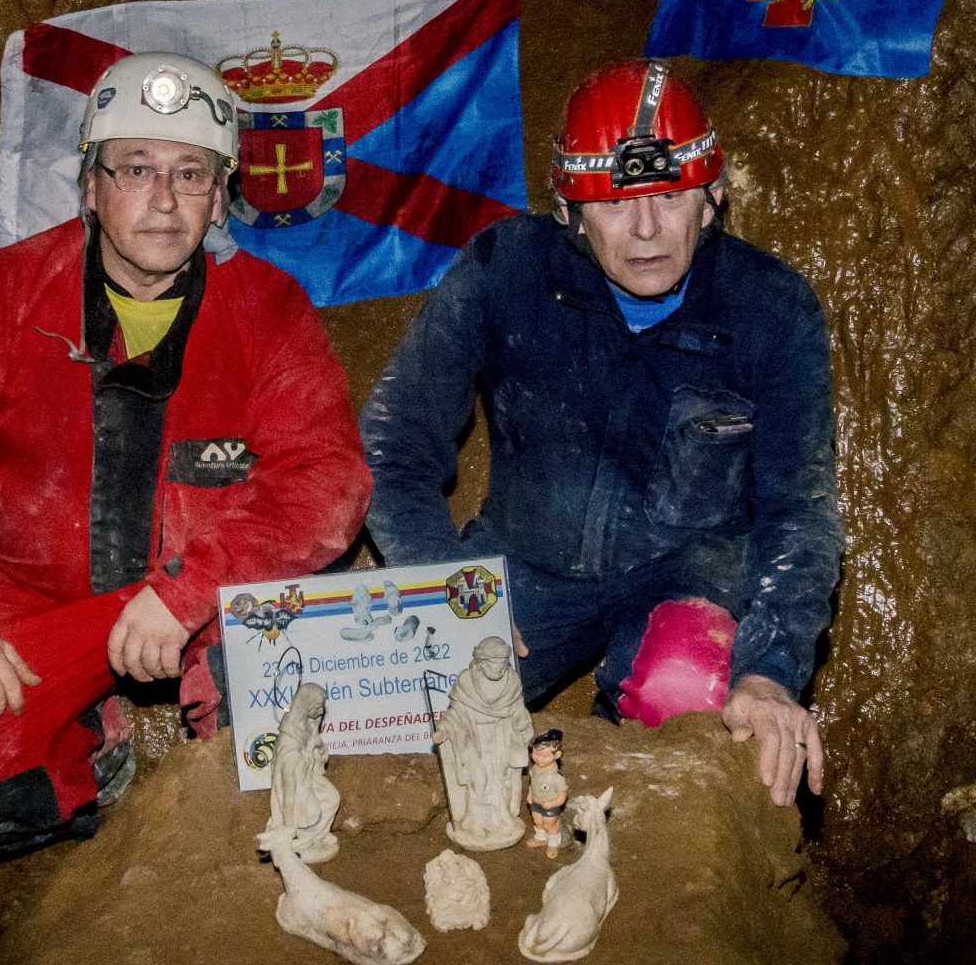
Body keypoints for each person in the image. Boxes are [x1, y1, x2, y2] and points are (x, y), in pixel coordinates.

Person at [0, 52, 370, 860]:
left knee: (275, 772)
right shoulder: (5, 296)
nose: (164, 200)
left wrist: (190, 590)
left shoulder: (269, 310)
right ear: (91, 187)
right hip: (42, 602)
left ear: (221, 192)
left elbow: (327, 481)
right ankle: (94, 745)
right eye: (136, 168)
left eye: (191, 173)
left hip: (213, 602)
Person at [360, 59, 841, 807]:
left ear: (712, 199)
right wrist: (445, 589)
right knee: (397, 713)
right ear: (570, 210)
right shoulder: (504, 271)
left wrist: (770, 669)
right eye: (615, 203)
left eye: (671, 197)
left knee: (691, 710)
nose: (646, 229)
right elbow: (394, 443)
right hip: (524, 564)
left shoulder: (771, 310)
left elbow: (798, 513)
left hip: (686, 575)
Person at [432, 637, 534, 849]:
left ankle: (503, 819)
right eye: (492, 663)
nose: (498, 668)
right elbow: (455, 714)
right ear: (481, 662)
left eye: (502, 663)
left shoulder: (512, 682)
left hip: (501, 738)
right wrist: (442, 730)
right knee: (478, 782)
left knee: (503, 781)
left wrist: (522, 721)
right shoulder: (467, 683)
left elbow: (518, 710)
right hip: (473, 739)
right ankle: (476, 821)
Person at [267, 683, 341, 863]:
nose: (321, 711)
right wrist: (288, 824)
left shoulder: (307, 723)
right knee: (324, 802)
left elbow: (312, 755)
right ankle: (303, 839)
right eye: (317, 707)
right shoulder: (289, 742)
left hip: (307, 773)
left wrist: (318, 749)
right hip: (296, 782)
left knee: (332, 796)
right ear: (306, 706)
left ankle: (320, 834)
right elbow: (290, 782)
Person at [524, 729, 569, 858]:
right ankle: (541, 837)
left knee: (549, 824)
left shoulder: (557, 777)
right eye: (535, 754)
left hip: (550, 805)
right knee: (538, 821)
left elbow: (562, 797)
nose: (538, 759)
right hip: (536, 802)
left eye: (544, 756)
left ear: (557, 755)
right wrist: (530, 794)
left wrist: (552, 804)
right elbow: (532, 784)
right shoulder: (535, 769)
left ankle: (553, 843)